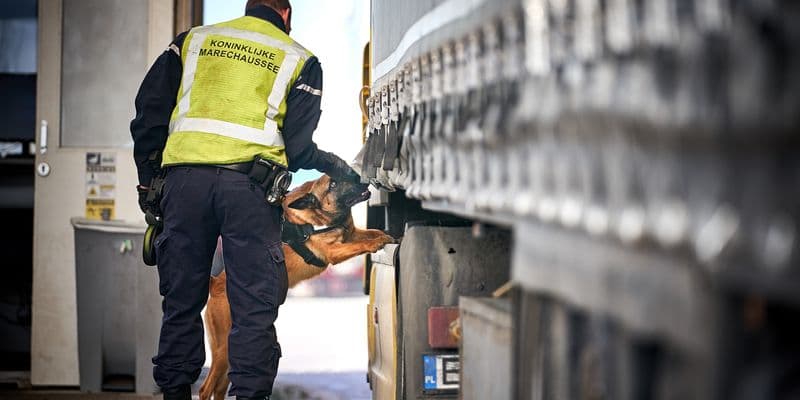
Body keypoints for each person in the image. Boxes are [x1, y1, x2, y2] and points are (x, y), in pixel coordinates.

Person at [130, 1, 362, 399]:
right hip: (250, 190)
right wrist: (339, 167)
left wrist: (150, 184)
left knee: (182, 303)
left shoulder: (192, 41)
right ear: (286, 15)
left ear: (248, 7)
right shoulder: (300, 59)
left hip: (185, 185)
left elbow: (149, 114)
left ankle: (174, 394)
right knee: (253, 307)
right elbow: (299, 148)